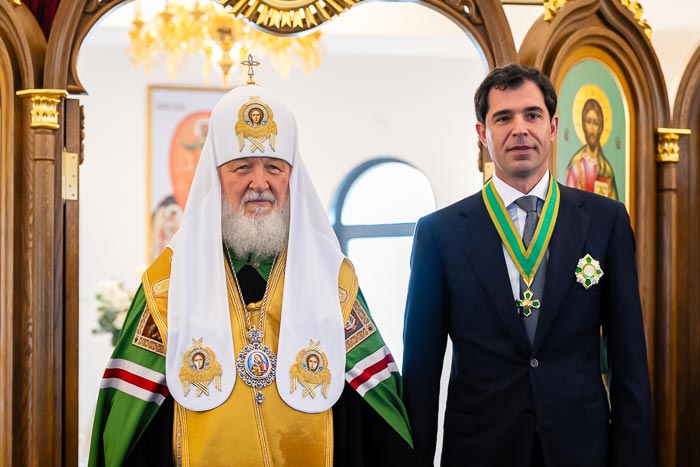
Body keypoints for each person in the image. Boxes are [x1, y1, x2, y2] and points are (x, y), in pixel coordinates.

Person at [89, 76, 414, 466]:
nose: (260, 183)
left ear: (291, 177)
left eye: (274, 167)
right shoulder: (167, 286)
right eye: (242, 167)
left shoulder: (333, 281)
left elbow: (376, 416)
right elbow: (130, 423)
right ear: (215, 178)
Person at [402, 64, 652, 467]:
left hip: (581, 448)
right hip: (481, 450)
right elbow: (421, 372)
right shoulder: (439, 233)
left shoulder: (605, 221)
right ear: (482, 133)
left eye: (532, 115)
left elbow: (629, 360)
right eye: (503, 118)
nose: (519, 129)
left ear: (552, 127)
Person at [565, 98, 618, 199]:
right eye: (588, 122)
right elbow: (568, 202)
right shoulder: (576, 167)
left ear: (600, 128)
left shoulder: (605, 169)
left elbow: (613, 204)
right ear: (584, 125)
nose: (592, 128)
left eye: (596, 122)